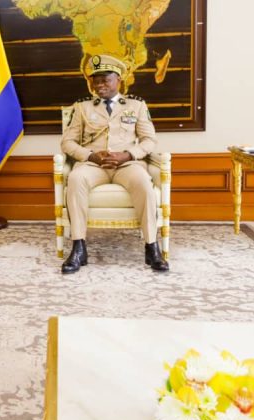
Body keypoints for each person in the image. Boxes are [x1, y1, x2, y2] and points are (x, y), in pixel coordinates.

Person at [60, 54, 169, 274]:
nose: (99, 85)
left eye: (105, 80)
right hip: (94, 165)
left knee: (144, 182)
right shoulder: (82, 107)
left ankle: (151, 247)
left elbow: (149, 140)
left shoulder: (136, 105)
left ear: (118, 80)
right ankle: (79, 248)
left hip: (127, 165)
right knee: (76, 178)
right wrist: (91, 156)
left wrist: (128, 155)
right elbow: (67, 142)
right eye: (95, 80)